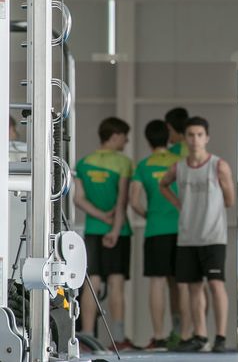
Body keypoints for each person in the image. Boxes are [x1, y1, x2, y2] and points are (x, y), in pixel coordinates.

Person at [159, 116, 235, 353]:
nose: (195, 140)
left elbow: (230, 200)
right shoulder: (178, 167)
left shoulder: (218, 165)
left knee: (215, 284)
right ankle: (200, 335)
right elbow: (163, 185)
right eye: (190, 135)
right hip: (187, 236)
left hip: (213, 236)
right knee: (193, 287)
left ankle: (220, 336)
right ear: (185, 138)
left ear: (207, 138)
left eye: (199, 135)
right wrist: (180, 205)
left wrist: (212, 207)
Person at [73, 117, 138, 350]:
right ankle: (118, 338)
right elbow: (122, 202)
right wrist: (115, 228)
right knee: (117, 282)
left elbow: (78, 199)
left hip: (92, 230)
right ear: (114, 136)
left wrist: (100, 217)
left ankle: (87, 337)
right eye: (124, 136)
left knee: (93, 283)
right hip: (118, 231)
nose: (126, 140)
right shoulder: (123, 162)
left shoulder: (83, 163)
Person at [129, 120, 189, 351]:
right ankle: (181, 334)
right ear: (168, 138)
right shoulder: (180, 163)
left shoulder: (143, 166)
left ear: (147, 140)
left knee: (157, 282)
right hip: (182, 229)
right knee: (180, 283)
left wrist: (150, 215)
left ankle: (159, 336)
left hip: (155, 229)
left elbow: (134, 202)